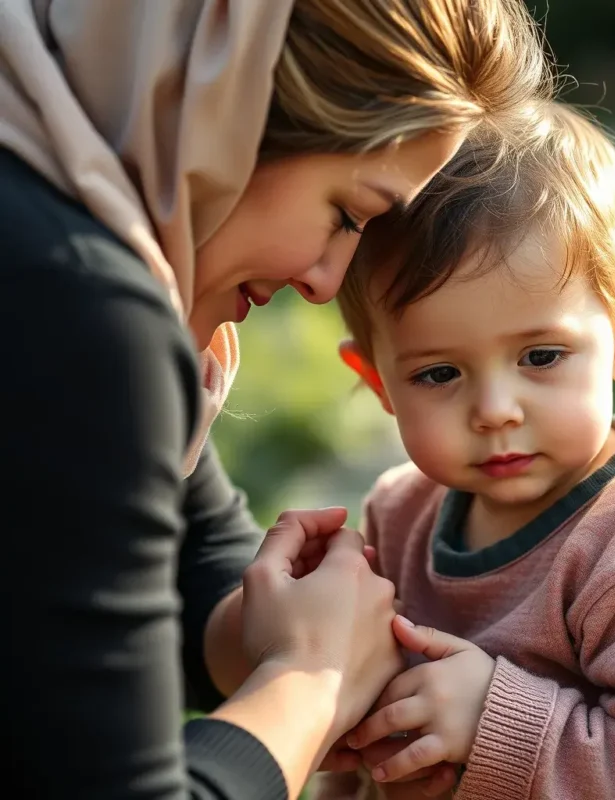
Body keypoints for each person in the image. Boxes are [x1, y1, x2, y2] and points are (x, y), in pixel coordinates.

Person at [0, 1, 552, 798]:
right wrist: (313, 680)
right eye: (346, 214)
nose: (324, 281)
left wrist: (278, 628)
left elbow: (184, 548)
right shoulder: (72, 305)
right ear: (225, 109)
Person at [323, 102, 615, 799]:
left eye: (541, 356)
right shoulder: (400, 515)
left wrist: (492, 719)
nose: (494, 411)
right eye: (438, 373)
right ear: (378, 382)